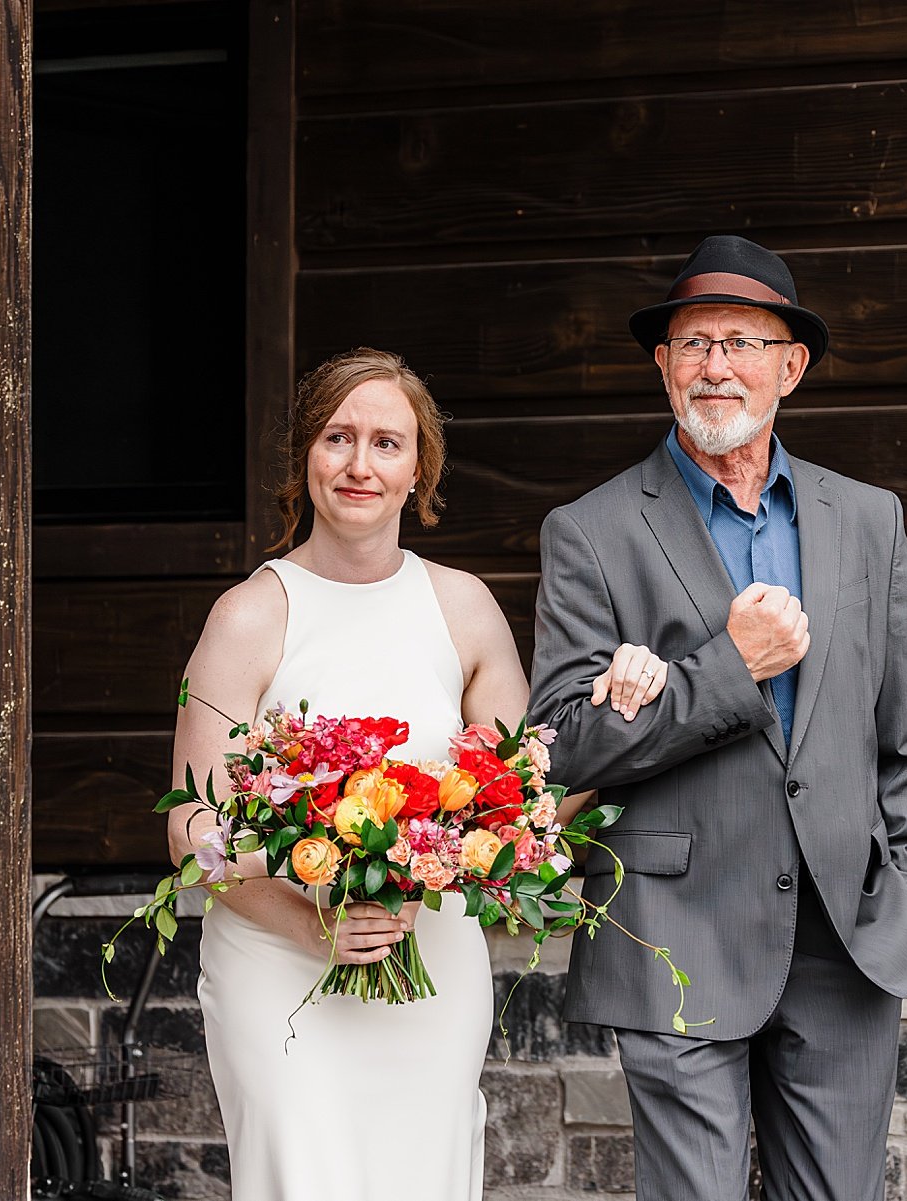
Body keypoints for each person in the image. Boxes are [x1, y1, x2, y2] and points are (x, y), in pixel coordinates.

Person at [165, 348, 659, 1200]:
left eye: (386, 443)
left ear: (418, 469)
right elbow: (189, 830)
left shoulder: (462, 606)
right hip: (279, 972)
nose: (360, 463)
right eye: (338, 437)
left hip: (429, 970)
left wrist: (614, 717)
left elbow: (524, 802)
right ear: (306, 458)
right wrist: (308, 923)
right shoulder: (250, 613)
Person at [529, 235, 907, 1201]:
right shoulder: (591, 530)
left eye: (743, 342)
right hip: (677, 933)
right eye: (695, 343)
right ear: (664, 367)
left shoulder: (868, 519)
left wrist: (905, 887)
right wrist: (729, 668)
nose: (717, 364)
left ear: (790, 367)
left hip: (846, 937)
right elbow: (554, 747)